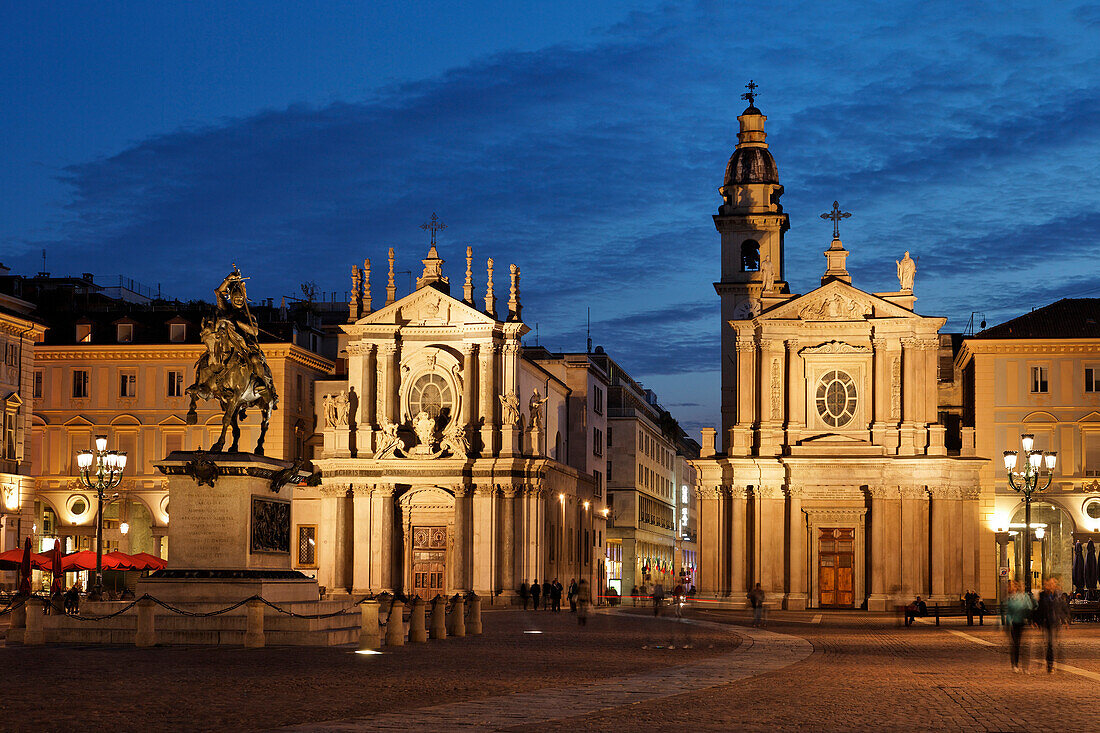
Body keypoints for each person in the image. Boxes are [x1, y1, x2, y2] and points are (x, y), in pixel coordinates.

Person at [1035, 578, 1067, 673]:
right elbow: (1039, 609)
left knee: (1053, 643)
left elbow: (1062, 607)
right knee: (1050, 643)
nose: (1052, 585)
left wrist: (1065, 619)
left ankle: (1052, 662)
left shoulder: (1058, 595)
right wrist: (1037, 621)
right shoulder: (1043, 595)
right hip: (1047, 622)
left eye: (1053, 583)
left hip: (1056, 621)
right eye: (1051, 583)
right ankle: (1050, 664)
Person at [1003, 580, 1034, 673]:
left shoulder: (1024, 597)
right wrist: (1008, 622)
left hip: (1024, 622)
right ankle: (1015, 664)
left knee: (1025, 645)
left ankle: (1025, 667)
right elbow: (1009, 612)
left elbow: (1030, 607)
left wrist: (1030, 617)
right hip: (1015, 623)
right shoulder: (1010, 599)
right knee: (1016, 644)